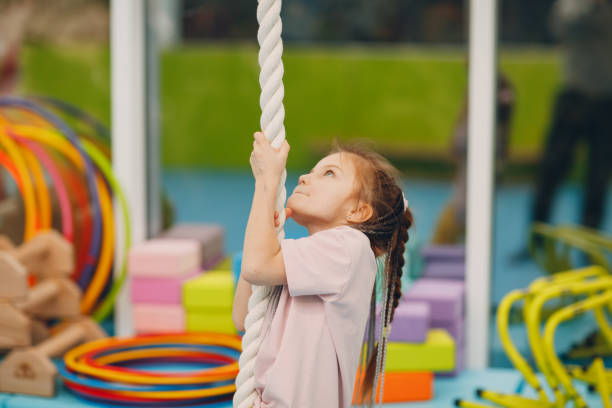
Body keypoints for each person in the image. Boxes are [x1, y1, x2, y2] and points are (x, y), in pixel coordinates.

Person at [232, 132, 413, 407]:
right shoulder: (307, 262)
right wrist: (265, 227)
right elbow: (242, 317)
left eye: (329, 173)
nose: (305, 177)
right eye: (313, 170)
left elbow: (256, 267)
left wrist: (266, 183)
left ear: (357, 212)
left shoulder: (349, 249)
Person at [530, 0, 612, 231]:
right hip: (573, 96)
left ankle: (589, 237)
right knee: (551, 170)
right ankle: (537, 235)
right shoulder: (573, 3)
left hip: (607, 100)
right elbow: (557, 27)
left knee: (598, 176)